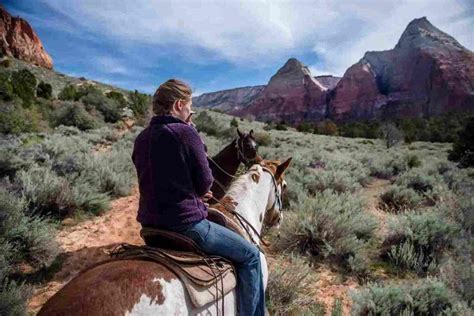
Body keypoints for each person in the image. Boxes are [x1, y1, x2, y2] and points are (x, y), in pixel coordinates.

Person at [131, 79, 265, 316]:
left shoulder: (141, 138)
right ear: (179, 104)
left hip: (149, 226)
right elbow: (206, 182)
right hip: (186, 225)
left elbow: (158, 177)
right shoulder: (185, 133)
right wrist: (194, 138)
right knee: (252, 257)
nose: (190, 112)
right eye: (189, 107)